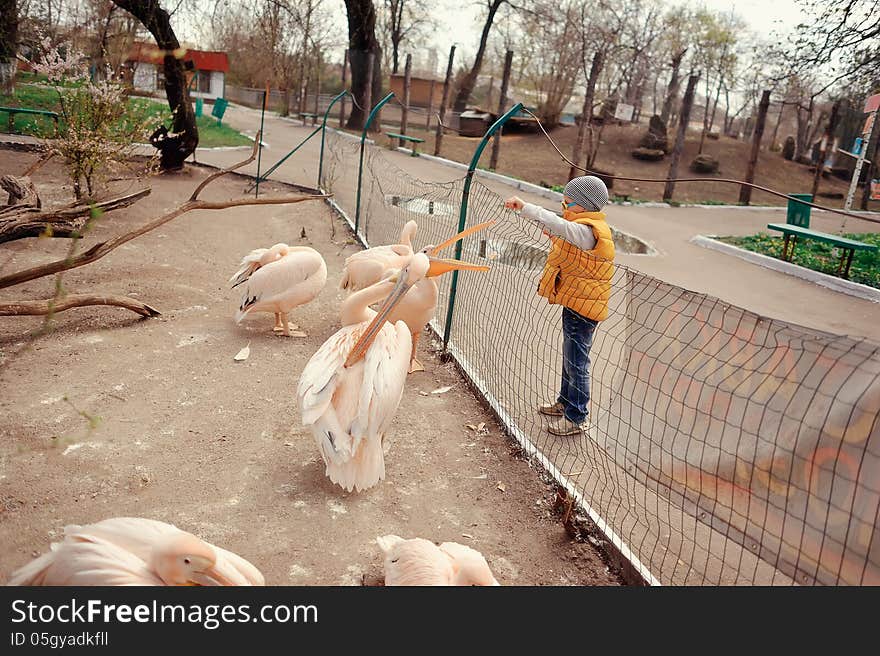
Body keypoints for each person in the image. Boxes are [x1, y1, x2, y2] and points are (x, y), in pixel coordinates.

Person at [504, 175, 615, 436]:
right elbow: (573, 251)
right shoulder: (583, 228)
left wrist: (527, 208)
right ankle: (565, 403)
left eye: (567, 202)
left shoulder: (589, 230)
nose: (563, 207)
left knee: (577, 361)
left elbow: (560, 225)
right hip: (576, 301)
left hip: (584, 309)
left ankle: (576, 416)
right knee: (570, 357)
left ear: (583, 205)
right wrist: (554, 237)